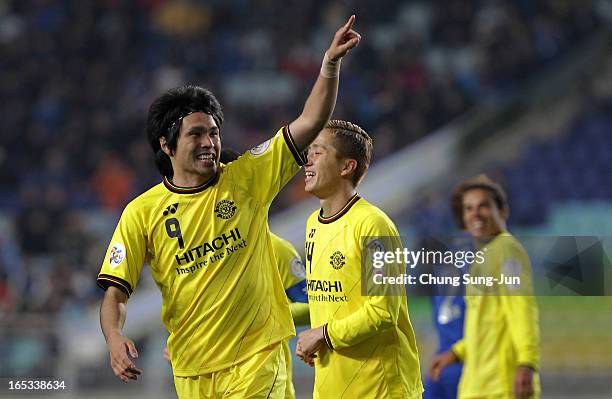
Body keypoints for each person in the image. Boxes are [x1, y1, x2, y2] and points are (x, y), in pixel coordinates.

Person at [97, 15, 360, 398]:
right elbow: (115, 295)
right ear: (166, 146)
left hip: (257, 360)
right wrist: (114, 336)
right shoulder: (142, 213)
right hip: (192, 370)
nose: (209, 142)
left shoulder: (246, 177)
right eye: (196, 134)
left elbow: (310, 120)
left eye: (214, 132)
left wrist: (329, 66)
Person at [295, 120, 423, 398]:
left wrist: (322, 334)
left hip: (380, 388)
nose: (308, 161)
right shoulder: (312, 225)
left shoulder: (375, 226)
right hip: (331, 386)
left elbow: (383, 310)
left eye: (318, 152)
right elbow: (325, 301)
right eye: (309, 153)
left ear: (346, 166)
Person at [428, 175, 540, 399]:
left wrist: (526, 363)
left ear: (503, 211)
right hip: (477, 385)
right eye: (468, 208)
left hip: (500, 385)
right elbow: (487, 326)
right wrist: (456, 353)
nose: (475, 214)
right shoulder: (484, 256)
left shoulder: (507, 250)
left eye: (483, 206)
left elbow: (521, 310)